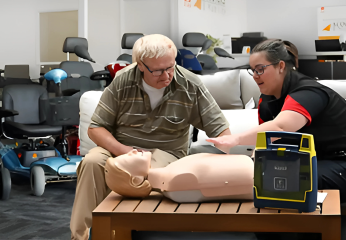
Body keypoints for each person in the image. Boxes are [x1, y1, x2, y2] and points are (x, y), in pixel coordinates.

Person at [70, 34, 231, 240]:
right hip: (122, 149)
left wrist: (233, 164)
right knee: (92, 162)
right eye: (157, 71)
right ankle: (81, 237)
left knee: (145, 170)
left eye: (170, 67)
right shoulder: (123, 81)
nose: (166, 76)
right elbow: (96, 128)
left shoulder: (190, 85)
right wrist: (125, 151)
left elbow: (221, 130)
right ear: (141, 66)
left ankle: (125, 232)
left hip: (167, 153)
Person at [207, 39, 346, 204]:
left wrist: (235, 139)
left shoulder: (309, 92)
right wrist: (252, 166)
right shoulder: (266, 99)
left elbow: (280, 128)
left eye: (260, 69)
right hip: (311, 161)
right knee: (261, 178)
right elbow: (267, 141)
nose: (255, 76)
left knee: (284, 181)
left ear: (280, 66)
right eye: (252, 71)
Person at [105, 149, 254, 202]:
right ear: (136, 180)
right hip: (258, 177)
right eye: (128, 158)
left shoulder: (172, 173)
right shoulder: (175, 181)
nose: (132, 151)